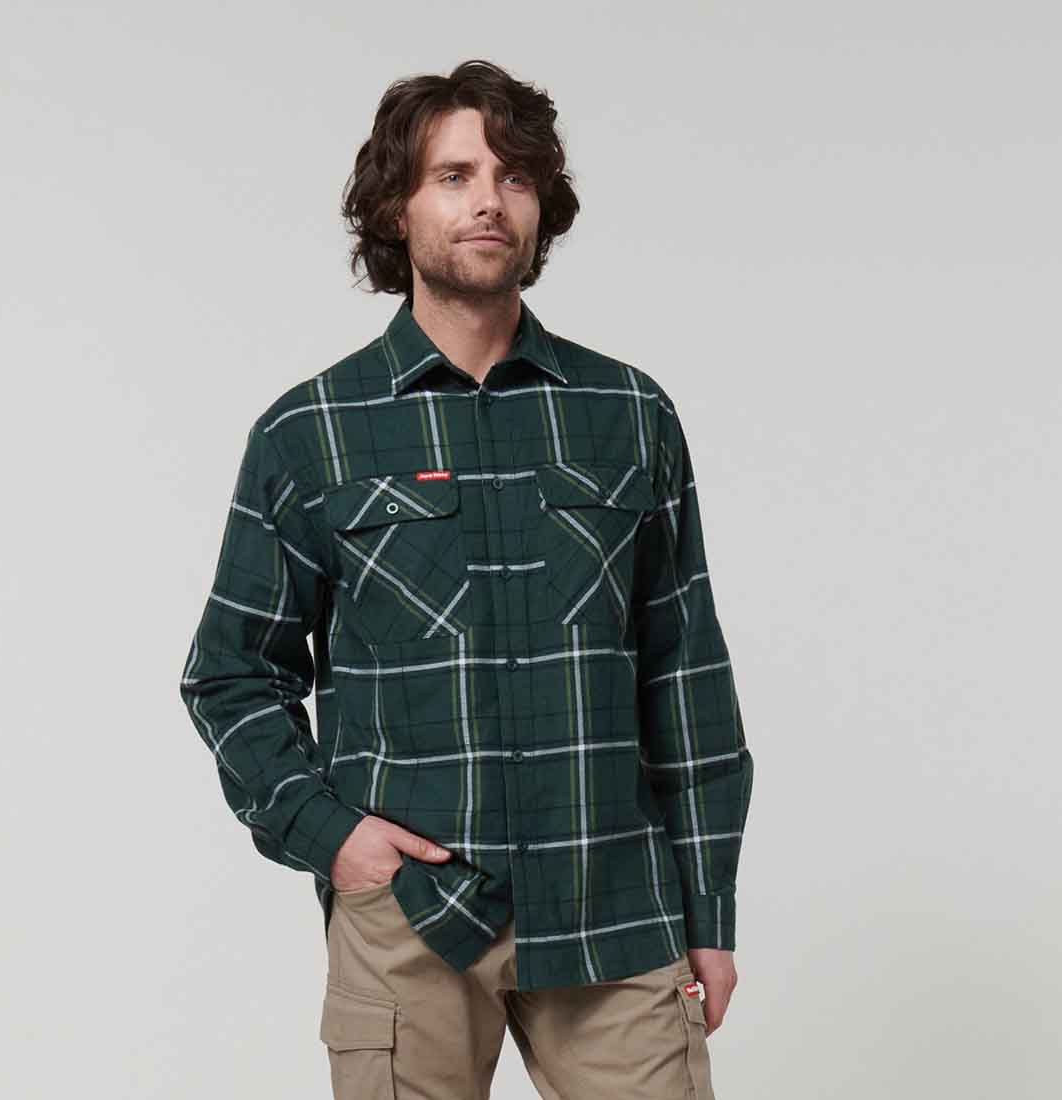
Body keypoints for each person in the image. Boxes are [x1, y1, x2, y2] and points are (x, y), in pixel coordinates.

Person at [179, 57, 754, 1100]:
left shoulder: (629, 414)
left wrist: (709, 915)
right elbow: (231, 674)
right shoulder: (311, 431)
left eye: (515, 176)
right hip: (410, 920)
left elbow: (684, 677)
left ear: (541, 208)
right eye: (453, 175)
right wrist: (332, 837)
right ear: (396, 209)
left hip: (617, 909)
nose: (489, 199)